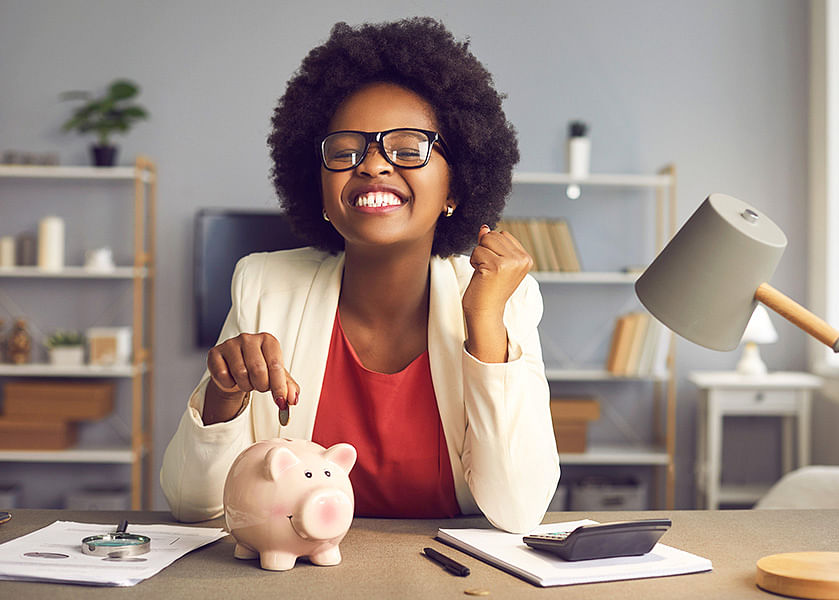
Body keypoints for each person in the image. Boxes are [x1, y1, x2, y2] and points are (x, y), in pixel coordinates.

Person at [160, 17, 559, 533]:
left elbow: (518, 510)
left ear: (455, 188)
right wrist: (225, 395)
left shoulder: (505, 299)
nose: (372, 166)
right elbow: (195, 507)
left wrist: (484, 321)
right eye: (346, 151)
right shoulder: (264, 285)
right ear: (321, 190)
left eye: (409, 148)